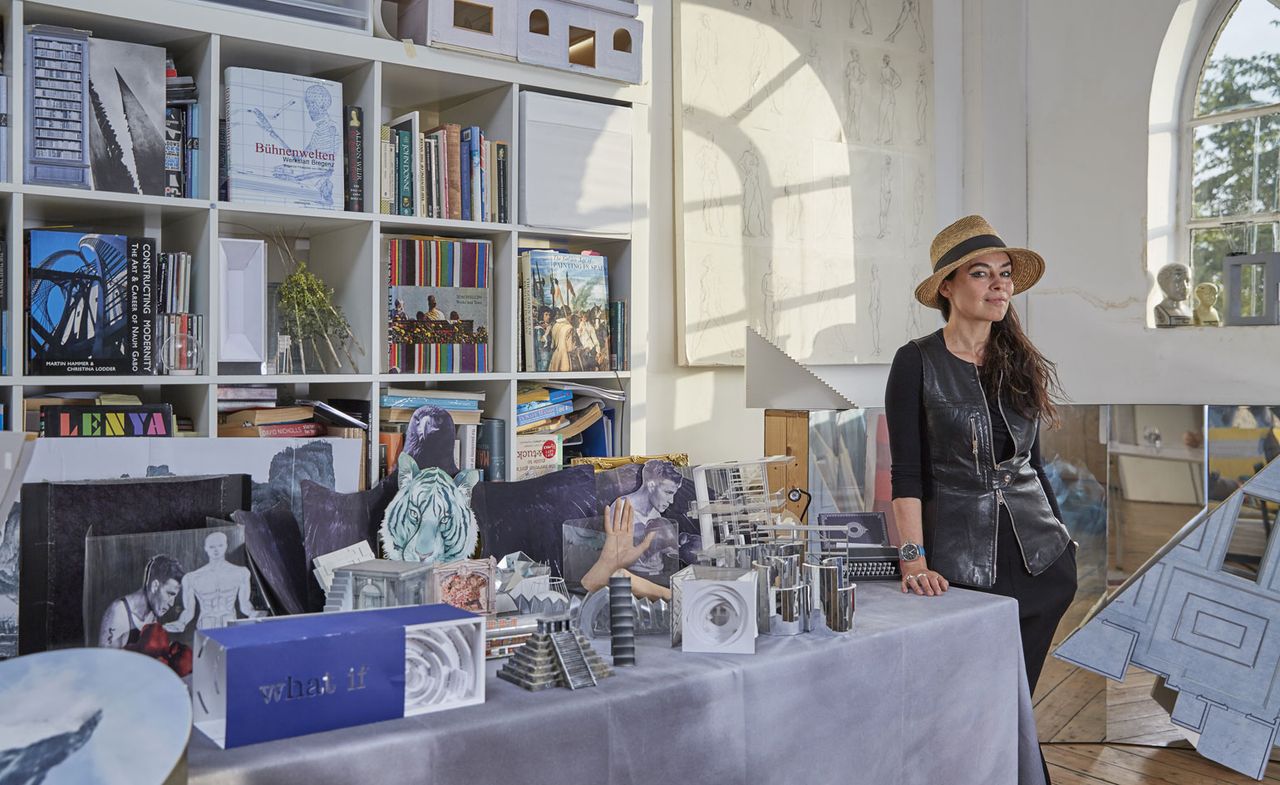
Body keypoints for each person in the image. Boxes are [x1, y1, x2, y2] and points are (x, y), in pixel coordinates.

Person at [885, 215, 1078, 728]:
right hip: (960, 567)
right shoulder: (916, 362)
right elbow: (905, 474)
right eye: (981, 273)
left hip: (1043, 562)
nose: (1000, 285)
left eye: (1006, 272)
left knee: (1012, 705)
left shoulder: (1018, 359)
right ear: (946, 287)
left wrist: (1064, 539)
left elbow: (1031, 465)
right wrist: (912, 560)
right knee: (968, 706)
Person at [164, 532, 264, 634]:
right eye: (212, 547)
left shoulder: (241, 572)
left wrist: (253, 613)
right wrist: (181, 622)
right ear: (206, 548)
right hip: (206, 626)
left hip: (229, 625)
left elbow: (244, 604)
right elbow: (189, 611)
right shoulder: (192, 578)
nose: (216, 550)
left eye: (220, 545)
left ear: (226, 546)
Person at [99, 554, 185, 649]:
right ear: (155, 586)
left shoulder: (152, 614)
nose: (171, 603)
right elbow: (105, 659)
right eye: (170, 594)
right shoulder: (118, 612)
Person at [619, 460, 684, 577]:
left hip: (659, 576)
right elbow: (613, 557)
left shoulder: (656, 513)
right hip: (633, 579)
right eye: (668, 492)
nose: (671, 501)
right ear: (651, 485)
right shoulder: (623, 508)